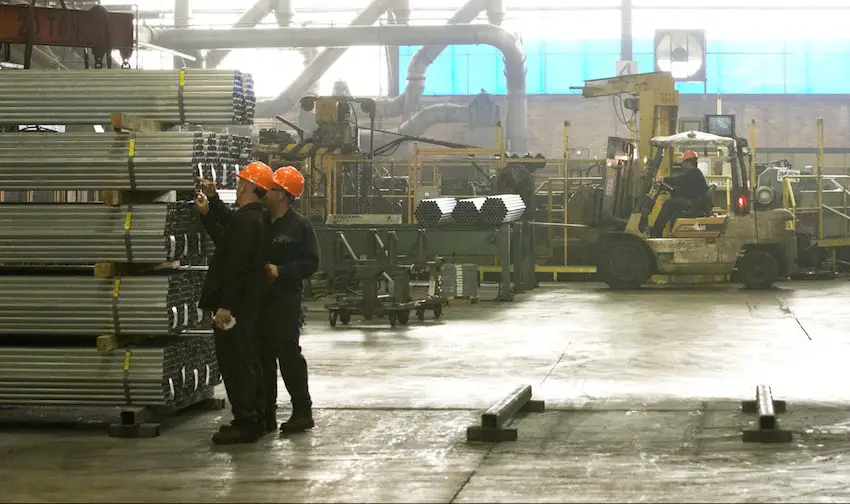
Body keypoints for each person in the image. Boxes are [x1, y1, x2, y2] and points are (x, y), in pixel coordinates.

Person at [195, 161, 273, 445]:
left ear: (253, 188)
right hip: (247, 305)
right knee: (248, 361)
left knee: (236, 363)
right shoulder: (253, 219)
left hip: (235, 307)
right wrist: (210, 208)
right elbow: (228, 241)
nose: (238, 188)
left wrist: (225, 305)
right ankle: (255, 418)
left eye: (242, 184)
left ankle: (245, 422)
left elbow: (235, 265)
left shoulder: (247, 221)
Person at [258, 165, 320, 434]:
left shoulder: (300, 226)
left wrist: (281, 271)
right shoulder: (260, 221)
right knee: (263, 358)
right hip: (260, 301)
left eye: (270, 188)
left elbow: (311, 263)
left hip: (285, 301)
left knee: (288, 356)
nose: (265, 191)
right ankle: (265, 414)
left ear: (282, 195)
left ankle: (302, 411)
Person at [648, 150, 709, 238]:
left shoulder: (693, 172)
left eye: (683, 162)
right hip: (694, 202)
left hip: (694, 204)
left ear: (689, 162)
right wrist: (671, 189)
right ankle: (659, 230)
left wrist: (664, 180)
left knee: (668, 204)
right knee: (671, 204)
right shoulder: (694, 173)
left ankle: (656, 232)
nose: (682, 165)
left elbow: (679, 180)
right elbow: (685, 188)